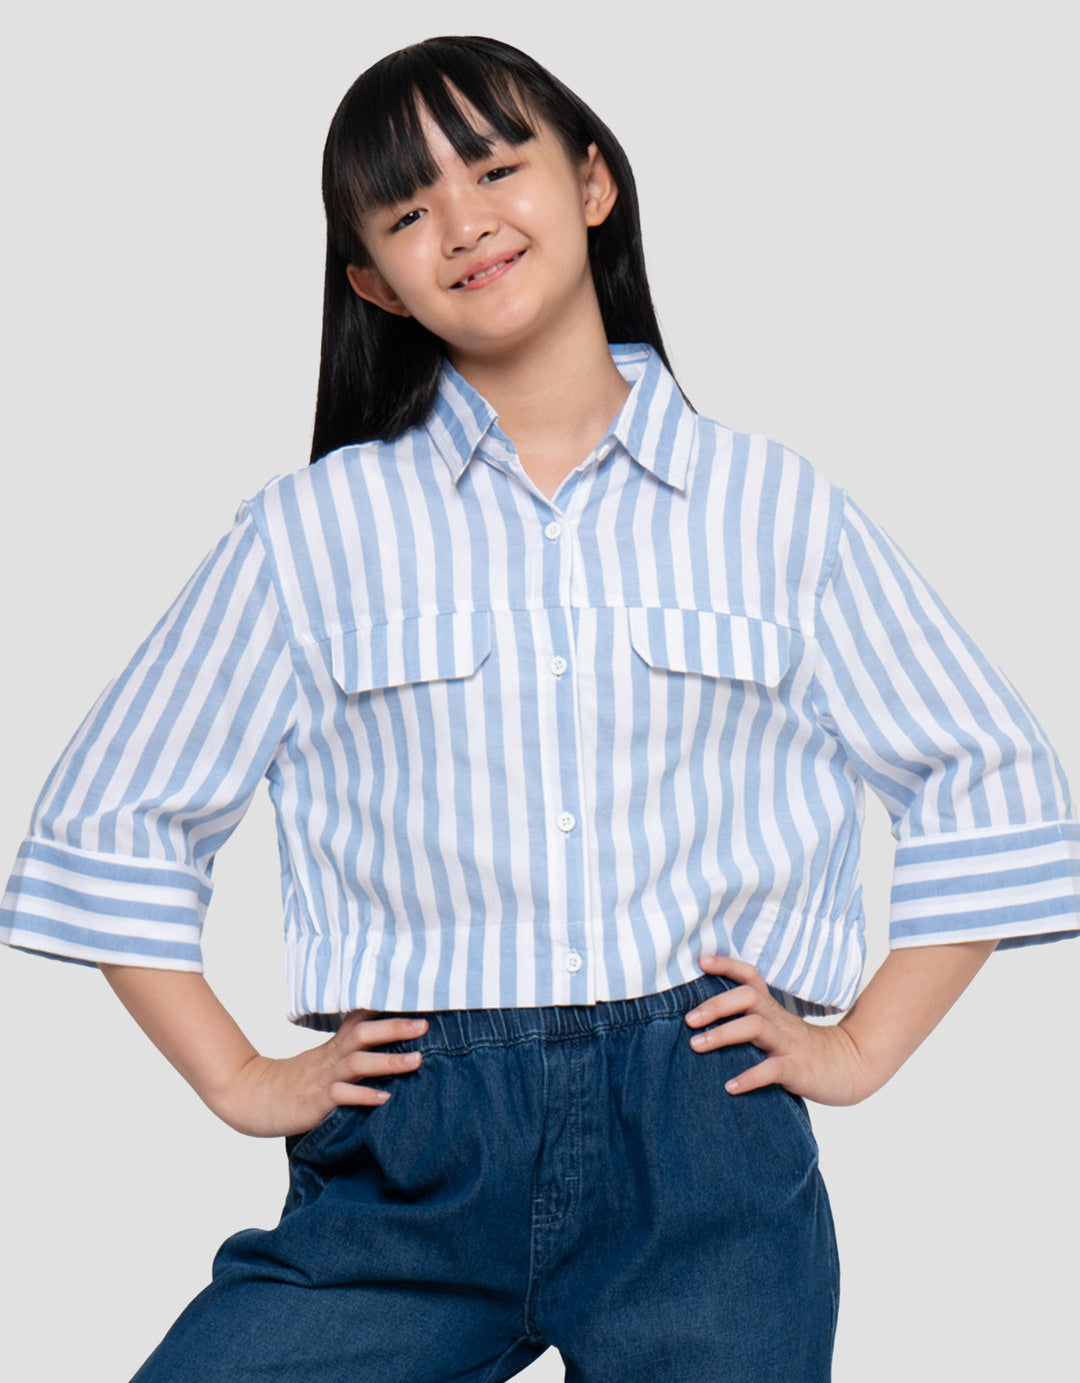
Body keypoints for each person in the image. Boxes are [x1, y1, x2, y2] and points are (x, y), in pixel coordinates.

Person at [1, 32, 1077, 1383]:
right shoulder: (313, 533)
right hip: (413, 1153)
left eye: (495, 168)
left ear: (592, 183)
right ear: (369, 281)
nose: (462, 222)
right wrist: (239, 1077)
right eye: (406, 213)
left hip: (704, 1150)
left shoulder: (772, 508)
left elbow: (989, 775)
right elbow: (110, 817)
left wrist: (862, 1045)